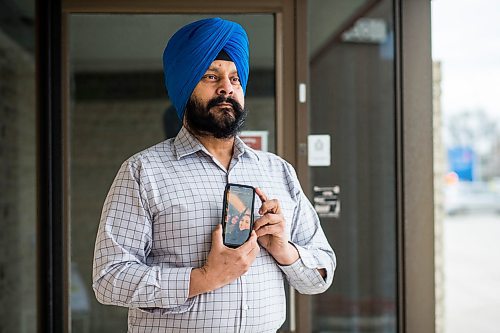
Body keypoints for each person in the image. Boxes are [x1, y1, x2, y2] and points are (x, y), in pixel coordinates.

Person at [92, 17, 336, 333]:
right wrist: (204, 278)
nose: (226, 88)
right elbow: (108, 279)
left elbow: (321, 275)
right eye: (211, 76)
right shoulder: (143, 172)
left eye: (235, 79)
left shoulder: (278, 171)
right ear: (185, 86)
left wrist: (283, 249)